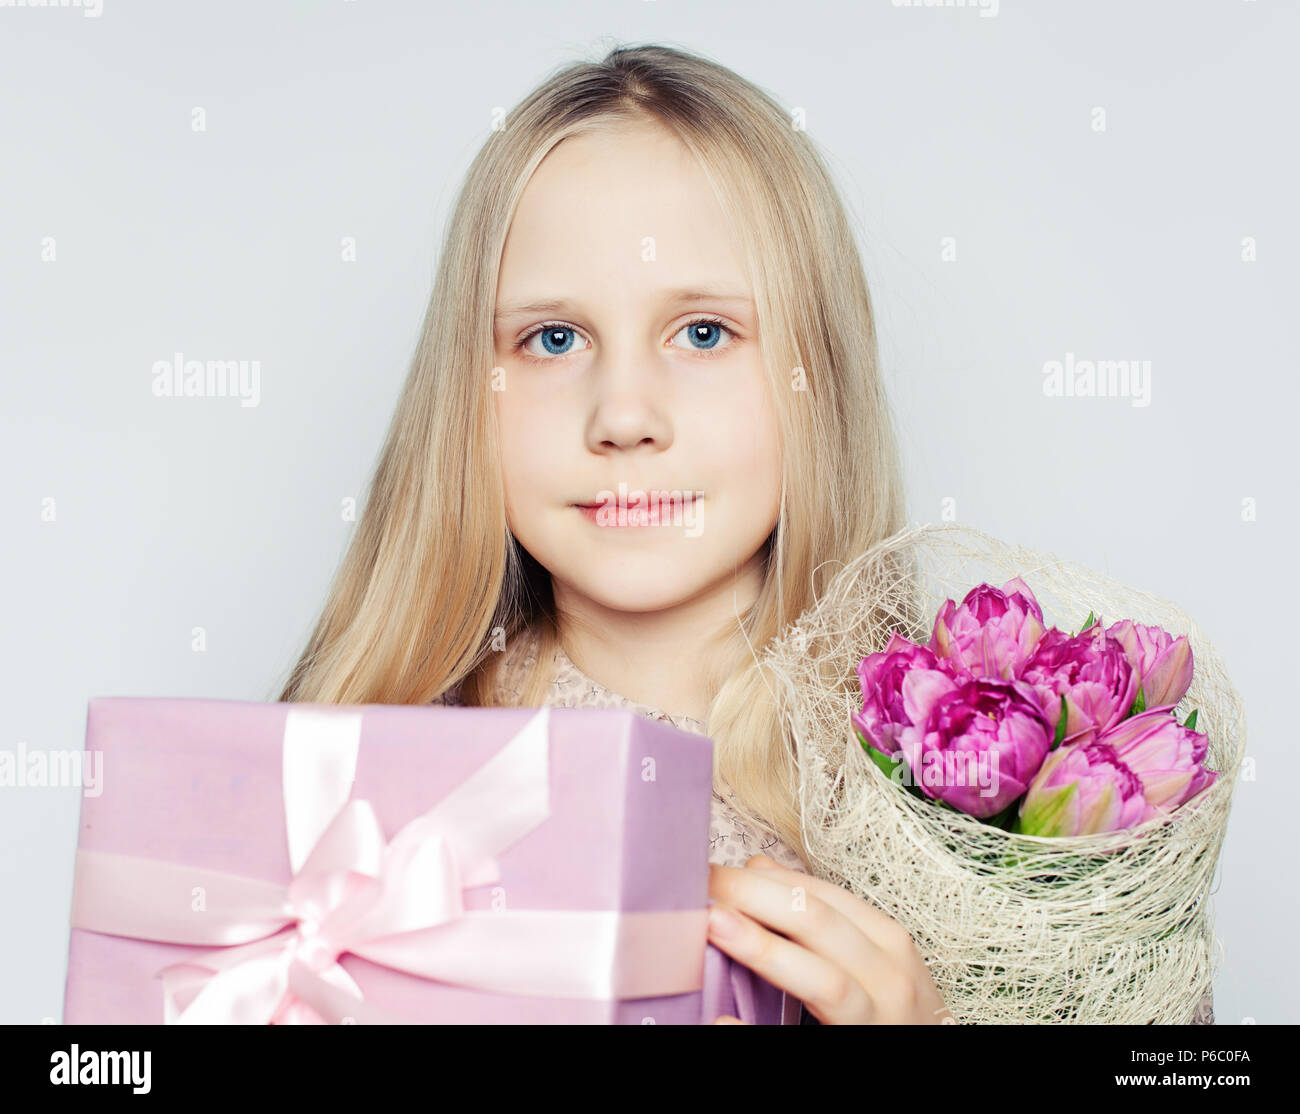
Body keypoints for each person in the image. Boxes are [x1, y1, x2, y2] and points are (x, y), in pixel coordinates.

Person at [280, 42, 1210, 1026]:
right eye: (552, 338)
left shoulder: (997, 786)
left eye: (704, 333)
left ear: (818, 378)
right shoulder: (334, 800)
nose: (625, 414)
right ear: (469, 392)